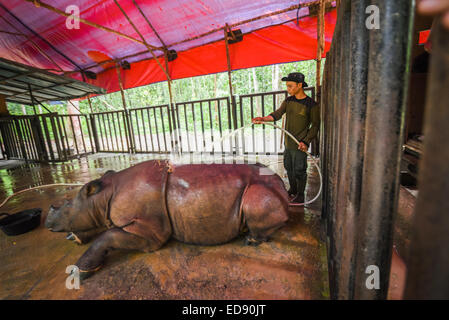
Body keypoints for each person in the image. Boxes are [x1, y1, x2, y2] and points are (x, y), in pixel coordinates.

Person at [252, 72, 320, 204]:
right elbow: (277, 114)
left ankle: (300, 194)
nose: (288, 89)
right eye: (287, 86)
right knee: (289, 167)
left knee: (300, 169)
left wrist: (306, 141)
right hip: (288, 143)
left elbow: (315, 126)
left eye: (290, 86)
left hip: (300, 144)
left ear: (300, 85)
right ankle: (293, 189)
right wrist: (263, 119)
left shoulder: (311, 104)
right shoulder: (288, 101)